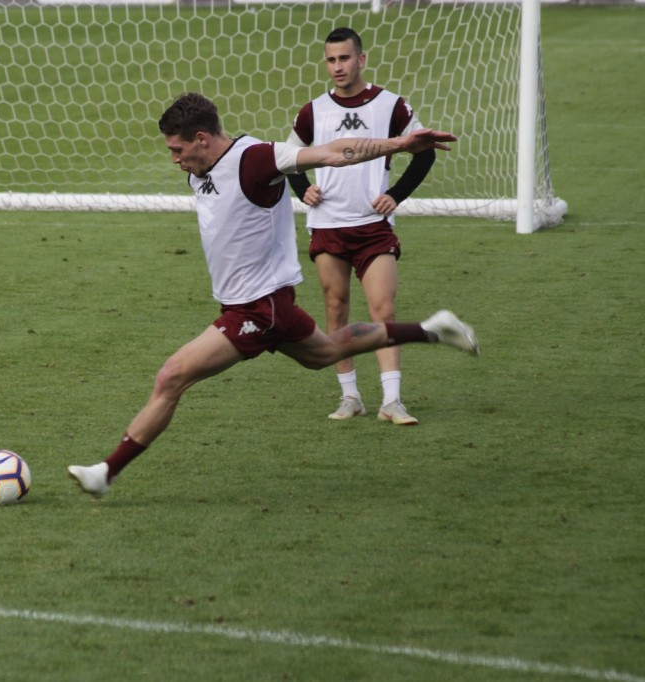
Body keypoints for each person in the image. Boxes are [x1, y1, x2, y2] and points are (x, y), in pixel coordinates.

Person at [67, 92, 476, 498]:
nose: (174, 159)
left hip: (257, 308)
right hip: (260, 304)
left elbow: (334, 152)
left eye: (178, 149)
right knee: (326, 352)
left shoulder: (257, 159)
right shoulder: (201, 167)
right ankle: (432, 329)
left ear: (202, 139)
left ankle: (106, 472)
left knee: (172, 376)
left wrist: (400, 144)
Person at [287, 27, 437, 425]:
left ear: (361, 59)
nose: (337, 66)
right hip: (327, 225)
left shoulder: (390, 105)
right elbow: (290, 157)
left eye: (345, 58)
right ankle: (350, 396)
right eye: (331, 60)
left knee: (383, 309)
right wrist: (303, 189)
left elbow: (424, 152)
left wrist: (397, 194)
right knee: (336, 308)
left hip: (373, 225)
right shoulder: (313, 110)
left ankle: (393, 401)